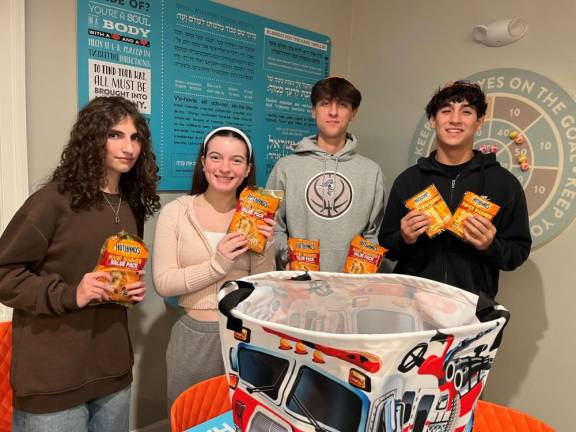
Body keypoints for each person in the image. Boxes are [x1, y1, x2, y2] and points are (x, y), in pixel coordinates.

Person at [0, 96, 160, 431]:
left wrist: (128, 290)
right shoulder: (52, 201)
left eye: (135, 137)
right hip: (53, 382)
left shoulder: (131, 205)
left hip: (113, 375)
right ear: (91, 139)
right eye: (115, 135)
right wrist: (71, 293)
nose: (128, 147)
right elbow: (5, 274)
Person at [152, 127, 276, 408]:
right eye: (216, 157)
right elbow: (163, 282)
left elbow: (263, 288)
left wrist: (266, 248)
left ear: (247, 170)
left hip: (245, 336)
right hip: (193, 335)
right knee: (191, 418)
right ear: (203, 162)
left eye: (236, 160)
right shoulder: (176, 213)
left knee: (241, 419)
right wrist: (217, 265)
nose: (225, 168)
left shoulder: (254, 217)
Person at [378, 81, 531, 298]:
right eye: (446, 111)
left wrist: (490, 245)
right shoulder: (408, 180)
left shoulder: (504, 184)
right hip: (412, 306)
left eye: (466, 112)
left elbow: (518, 252)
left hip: (472, 308)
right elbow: (387, 246)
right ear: (433, 120)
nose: (455, 119)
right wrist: (404, 238)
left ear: (479, 122)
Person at [266, 77, 385, 272]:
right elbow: (273, 226)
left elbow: (373, 233)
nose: (333, 112)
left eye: (343, 105)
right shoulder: (285, 167)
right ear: (314, 110)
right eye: (325, 103)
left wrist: (364, 270)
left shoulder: (371, 172)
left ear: (353, 113)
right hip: (298, 282)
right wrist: (287, 257)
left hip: (350, 286)